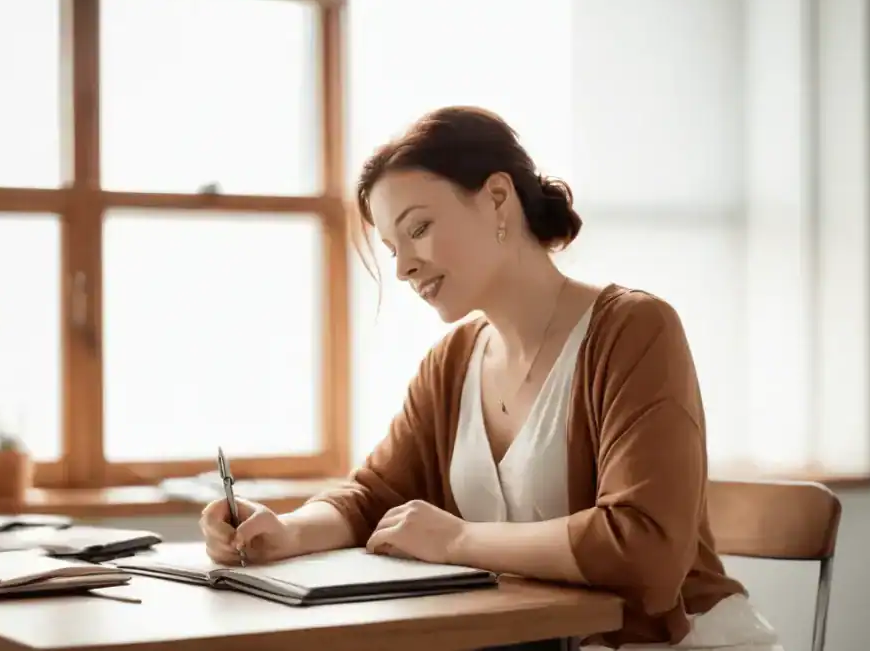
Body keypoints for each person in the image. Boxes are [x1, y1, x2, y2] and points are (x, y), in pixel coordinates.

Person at [201, 106, 782, 651]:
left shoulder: (633, 329)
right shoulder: (453, 360)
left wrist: (458, 542)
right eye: (391, 247)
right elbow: (374, 496)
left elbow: (645, 550)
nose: (402, 267)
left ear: (498, 199)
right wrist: (288, 531)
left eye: (419, 228)